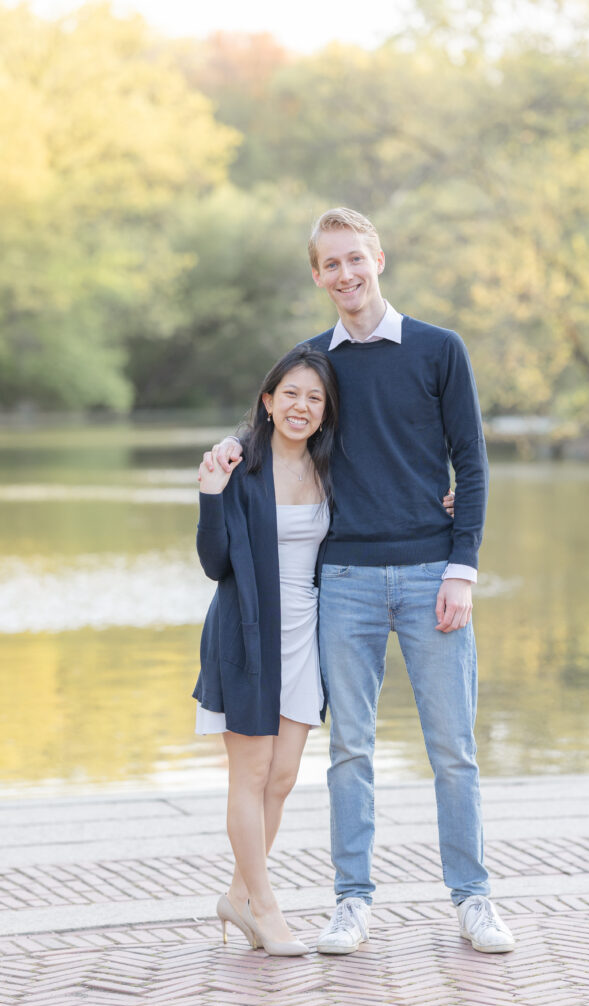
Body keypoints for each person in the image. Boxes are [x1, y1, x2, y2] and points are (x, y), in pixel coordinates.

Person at [206, 208, 515, 956]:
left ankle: (472, 899)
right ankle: (351, 902)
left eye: (356, 259)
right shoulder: (313, 362)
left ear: (378, 257)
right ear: (317, 276)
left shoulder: (440, 350)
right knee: (350, 751)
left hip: (430, 575)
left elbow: (469, 466)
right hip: (340, 579)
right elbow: (275, 425)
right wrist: (225, 447)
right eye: (330, 265)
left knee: (453, 749)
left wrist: (461, 569)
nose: (346, 274)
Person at [194, 345, 339, 956]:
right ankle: (268, 908)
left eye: (314, 398)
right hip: (248, 633)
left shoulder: (333, 469)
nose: (301, 406)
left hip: (306, 634)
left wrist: (443, 508)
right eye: (291, 395)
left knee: (281, 779)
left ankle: (237, 897)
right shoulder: (241, 467)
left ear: (325, 412)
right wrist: (209, 493)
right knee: (249, 776)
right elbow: (214, 563)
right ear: (268, 401)